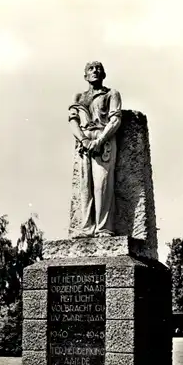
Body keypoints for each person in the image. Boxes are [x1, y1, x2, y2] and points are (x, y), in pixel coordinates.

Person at [68, 61, 122, 238]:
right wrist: (83, 139)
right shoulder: (79, 97)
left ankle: (103, 227)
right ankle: (86, 227)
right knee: (85, 187)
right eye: (91, 69)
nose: (95, 71)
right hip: (84, 142)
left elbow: (115, 120)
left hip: (103, 139)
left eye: (99, 69)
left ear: (104, 74)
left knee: (102, 185)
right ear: (85, 76)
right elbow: (73, 120)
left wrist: (100, 141)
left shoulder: (111, 94)